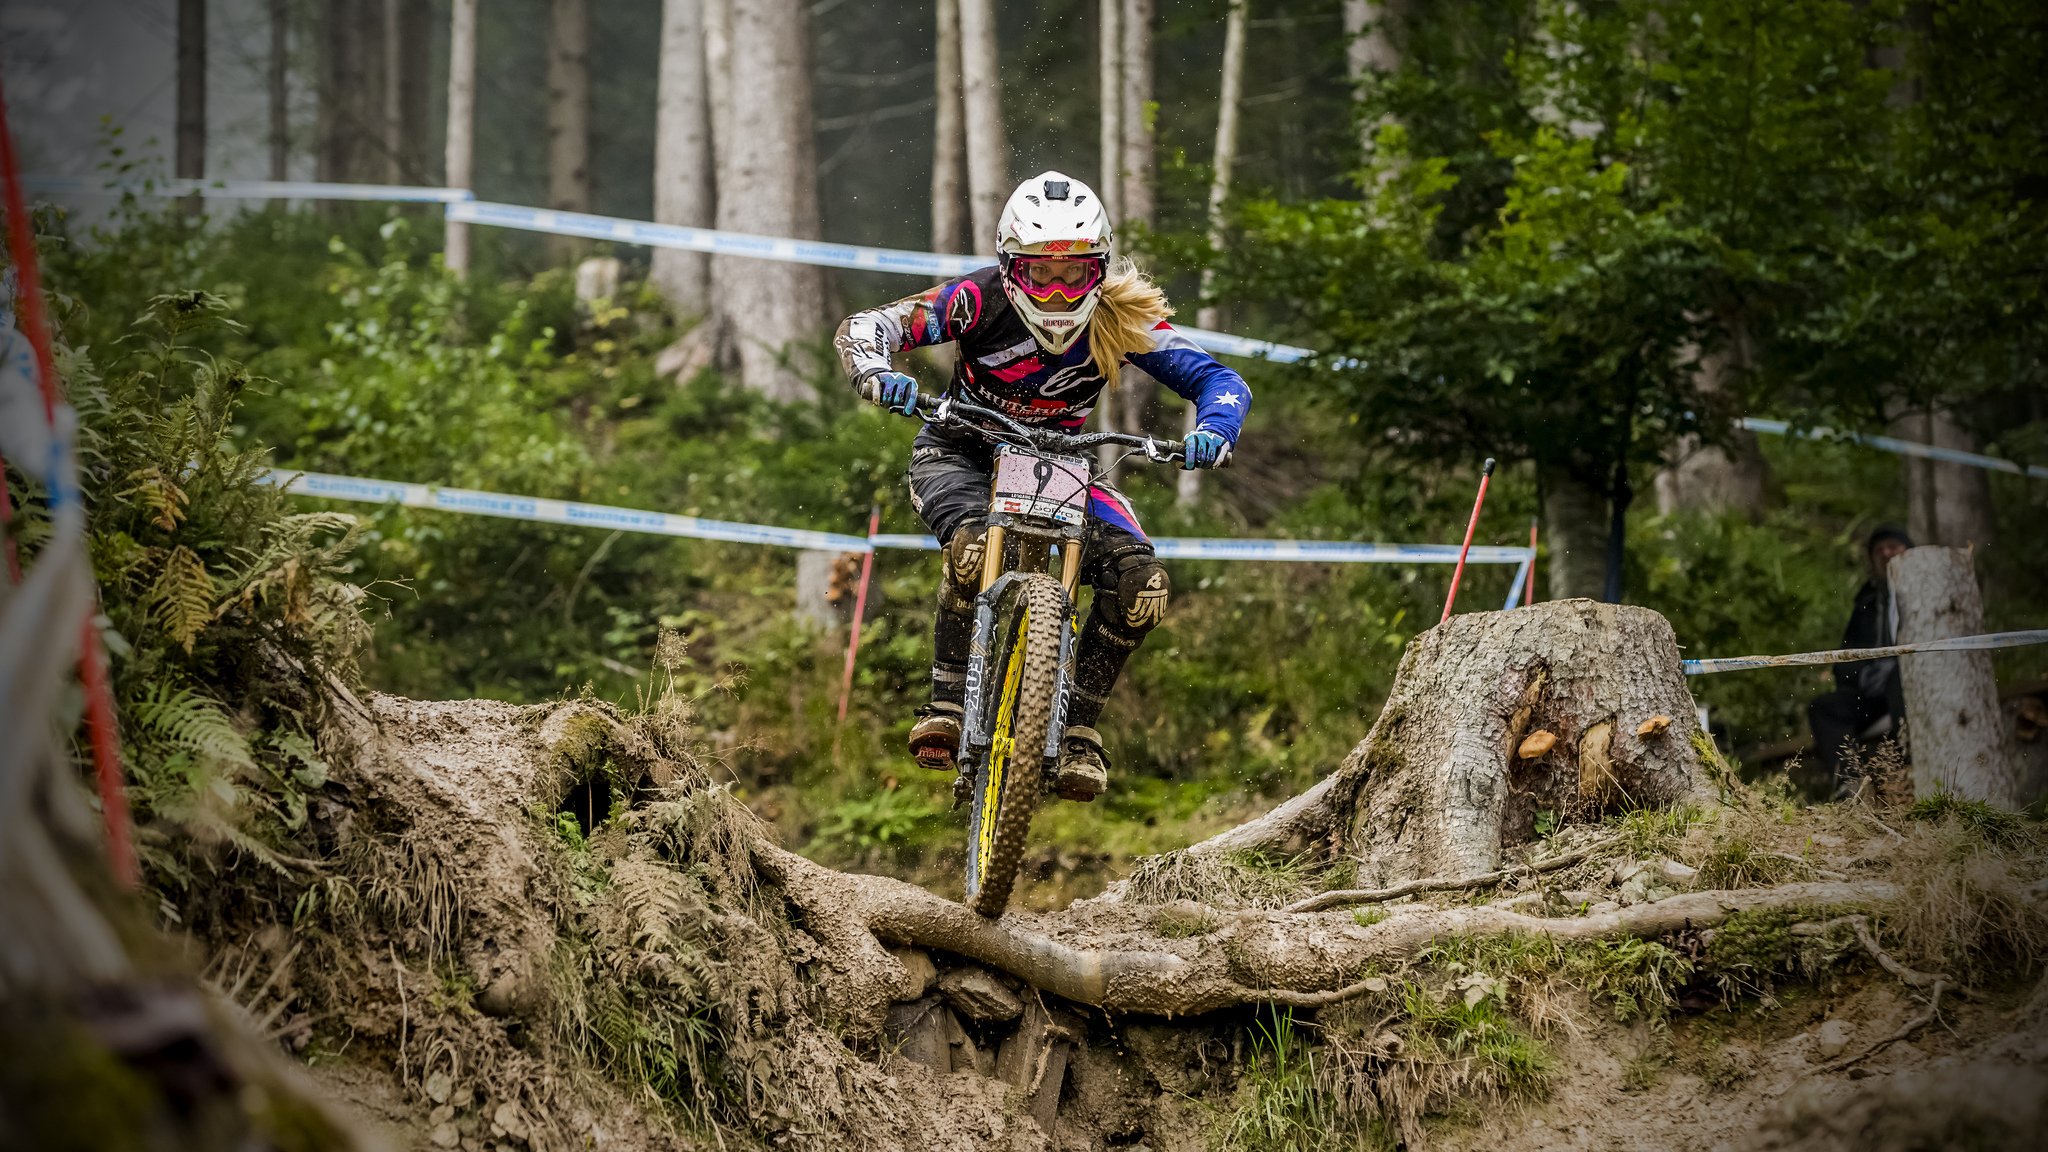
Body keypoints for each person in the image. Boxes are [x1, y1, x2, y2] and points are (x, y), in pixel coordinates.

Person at [834, 171, 1251, 802]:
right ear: (1008, 268)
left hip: (1066, 464)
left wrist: (1215, 429)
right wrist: (875, 370)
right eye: (1040, 274)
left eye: (1075, 273)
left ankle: (1078, 725)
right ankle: (948, 699)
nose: (1057, 294)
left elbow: (1220, 381)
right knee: (974, 552)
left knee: (1144, 587)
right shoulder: (977, 300)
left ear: (1101, 269)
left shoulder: (1122, 315)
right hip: (963, 450)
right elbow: (871, 327)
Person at [1807, 525, 1913, 792]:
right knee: (1823, 708)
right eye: (1878, 550)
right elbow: (1846, 657)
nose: (1886, 554)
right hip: (1873, 696)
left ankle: (1910, 767)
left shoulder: (1928, 592)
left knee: (1897, 676)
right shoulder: (1865, 602)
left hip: (1914, 687)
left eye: (1893, 547)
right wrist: (1861, 675)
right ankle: (1851, 783)